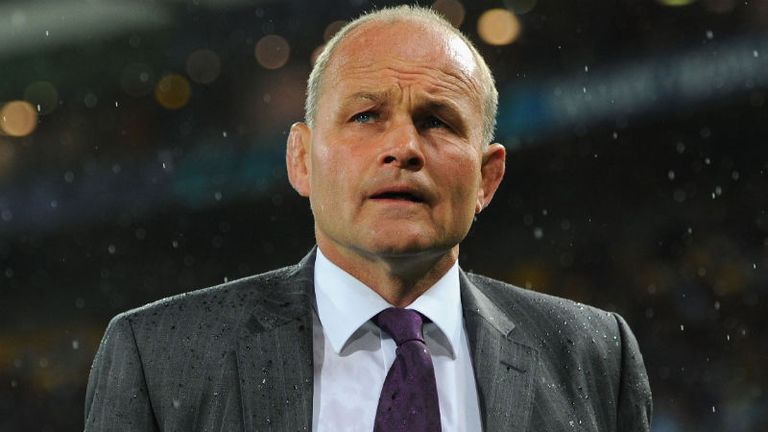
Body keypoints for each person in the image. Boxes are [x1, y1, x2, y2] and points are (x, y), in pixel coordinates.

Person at [84, 5, 652, 431]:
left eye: (437, 121)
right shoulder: (160, 357)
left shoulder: (593, 354)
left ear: (487, 178)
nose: (403, 147)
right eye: (365, 116)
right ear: (301, 160)